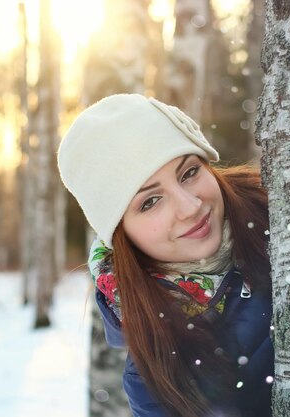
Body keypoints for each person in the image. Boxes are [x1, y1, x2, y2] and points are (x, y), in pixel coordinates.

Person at [58, 94, 273, 417]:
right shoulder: (157, 380)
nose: (190, 207)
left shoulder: (285, 212)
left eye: (188, 173)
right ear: (121, 234)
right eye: (150, 202)